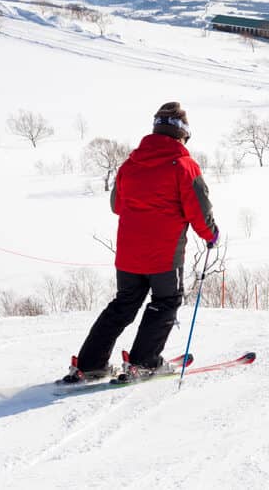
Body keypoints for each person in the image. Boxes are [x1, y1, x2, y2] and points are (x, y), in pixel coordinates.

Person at [61, 102, 217, 383]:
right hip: (164, 255)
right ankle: (144, 361)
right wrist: (211, 234)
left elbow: (117, 205)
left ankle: (89, 364)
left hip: (129, 255)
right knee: (166, 302)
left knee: (123, 304)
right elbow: (199, 209)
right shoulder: (184, 166)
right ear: (182, 135)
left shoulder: (130, 165)